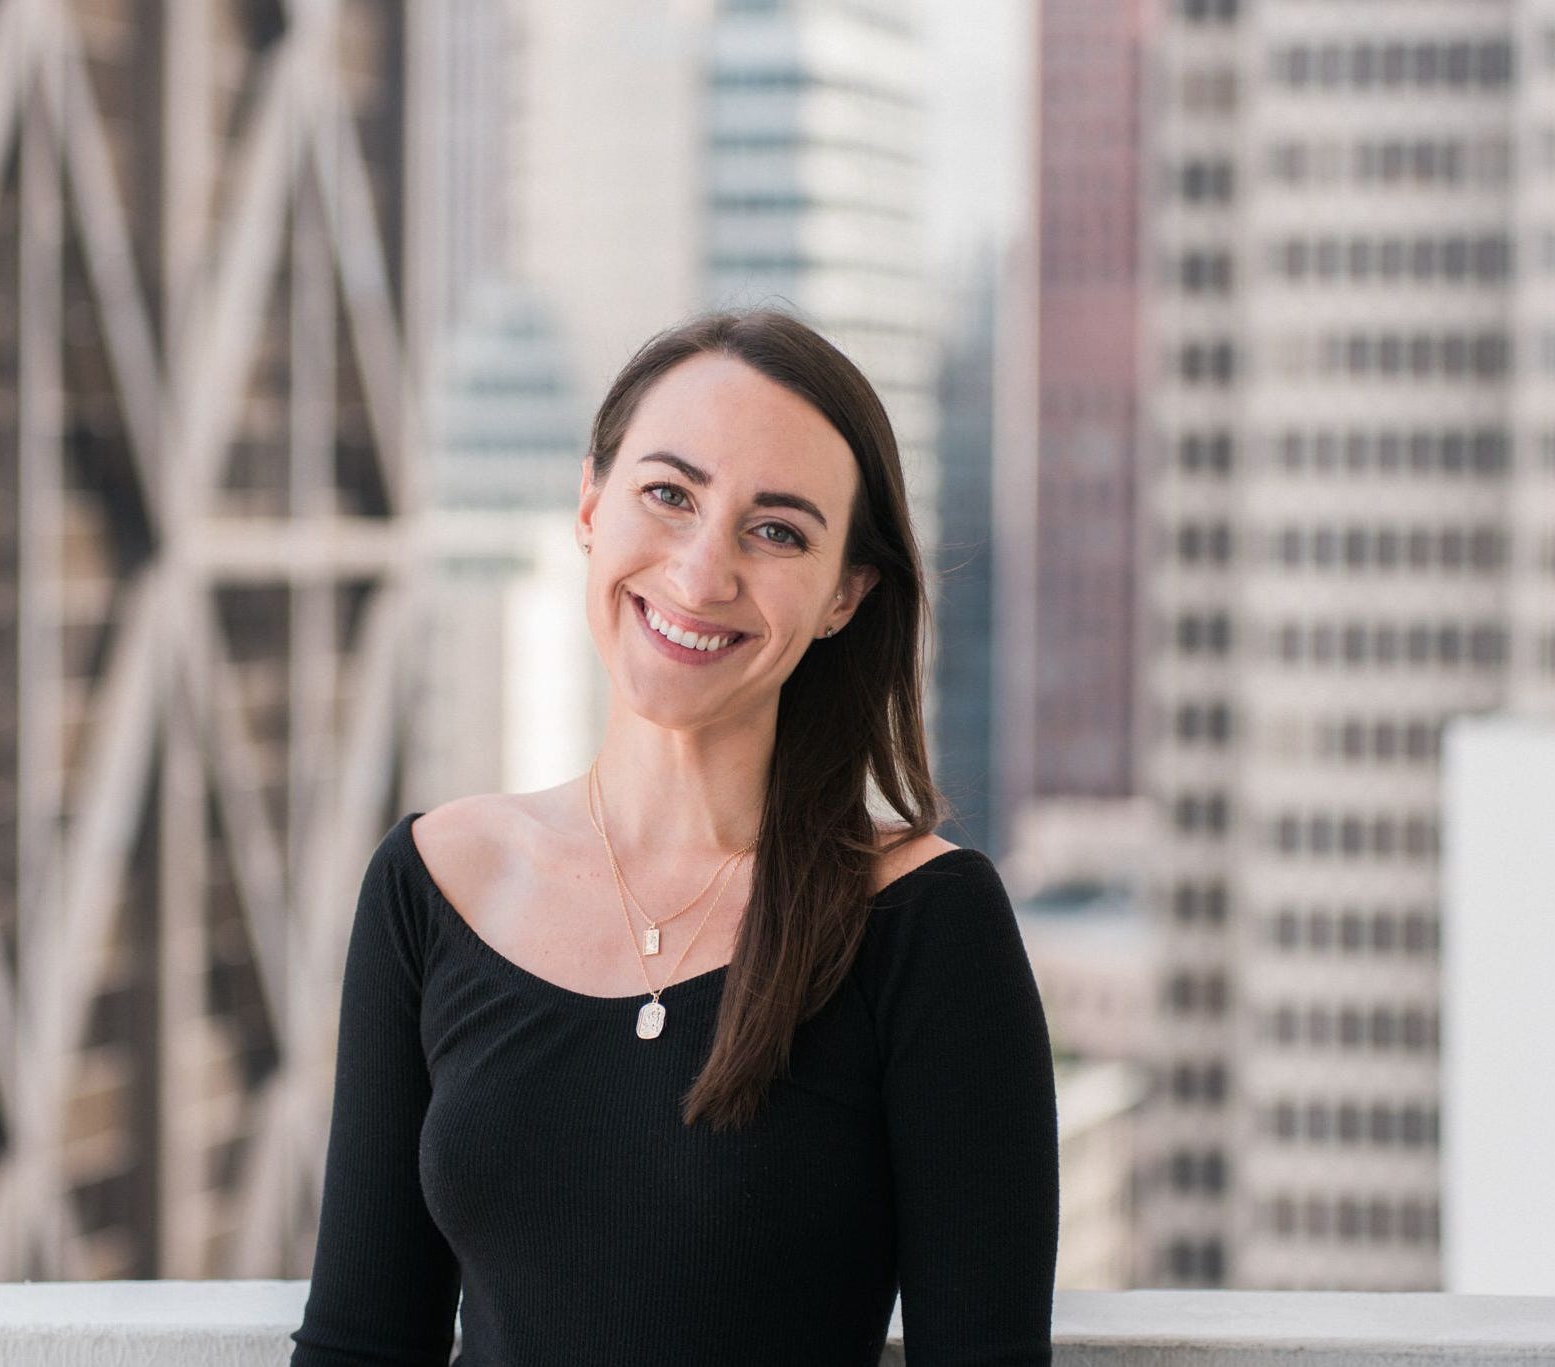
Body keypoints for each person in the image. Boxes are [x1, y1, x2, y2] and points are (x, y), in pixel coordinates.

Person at [289, 308, 1059, 1365]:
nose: (702, 575)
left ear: (844, 594)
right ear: (590, 505)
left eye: (776, 529)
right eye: (669, 495)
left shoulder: (924, 921)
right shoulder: (433, 882)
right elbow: (360, 1345)